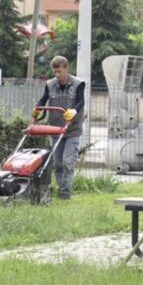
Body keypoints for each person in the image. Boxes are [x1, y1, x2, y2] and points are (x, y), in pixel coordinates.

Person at [35, 56, 85, 200]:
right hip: (55, 129)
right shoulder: (50, 84)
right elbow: (43, 99)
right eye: (55, 72)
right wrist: (37, 109)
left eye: (59, 72)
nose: (57, 75)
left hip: (72, 130)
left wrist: (74, 111)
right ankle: (60, 188)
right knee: (57, 163)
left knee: (68, 161)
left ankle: (65, 191)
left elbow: (81, 101)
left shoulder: (78, 84)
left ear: (67, 69)